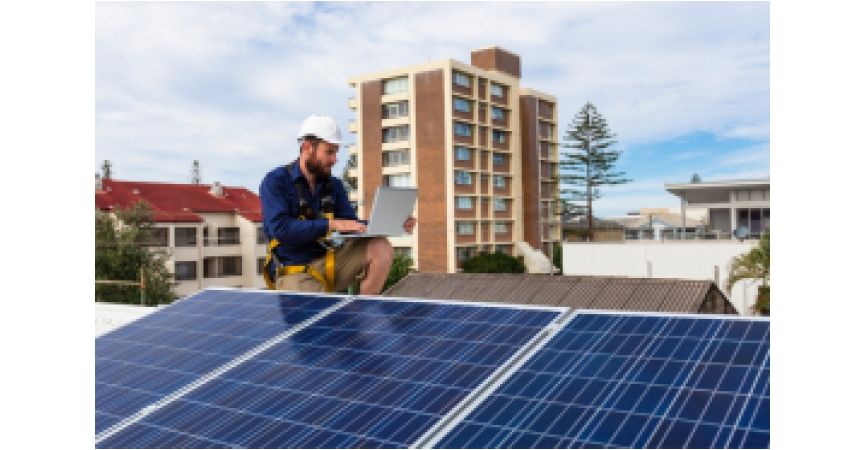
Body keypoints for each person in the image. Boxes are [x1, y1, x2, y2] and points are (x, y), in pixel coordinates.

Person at [259, 114, 416, 294]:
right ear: (307, 147)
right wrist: (331, 224)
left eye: (336, 152)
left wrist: (390, 223)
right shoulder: (275, 182)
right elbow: (282, 230)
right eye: (329, 152)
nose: (335, 160)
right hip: (295, 270)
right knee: (318, 315)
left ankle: (365, 312)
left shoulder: (333, 185)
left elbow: (350, 225)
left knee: (381, 247)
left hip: (331, 260)